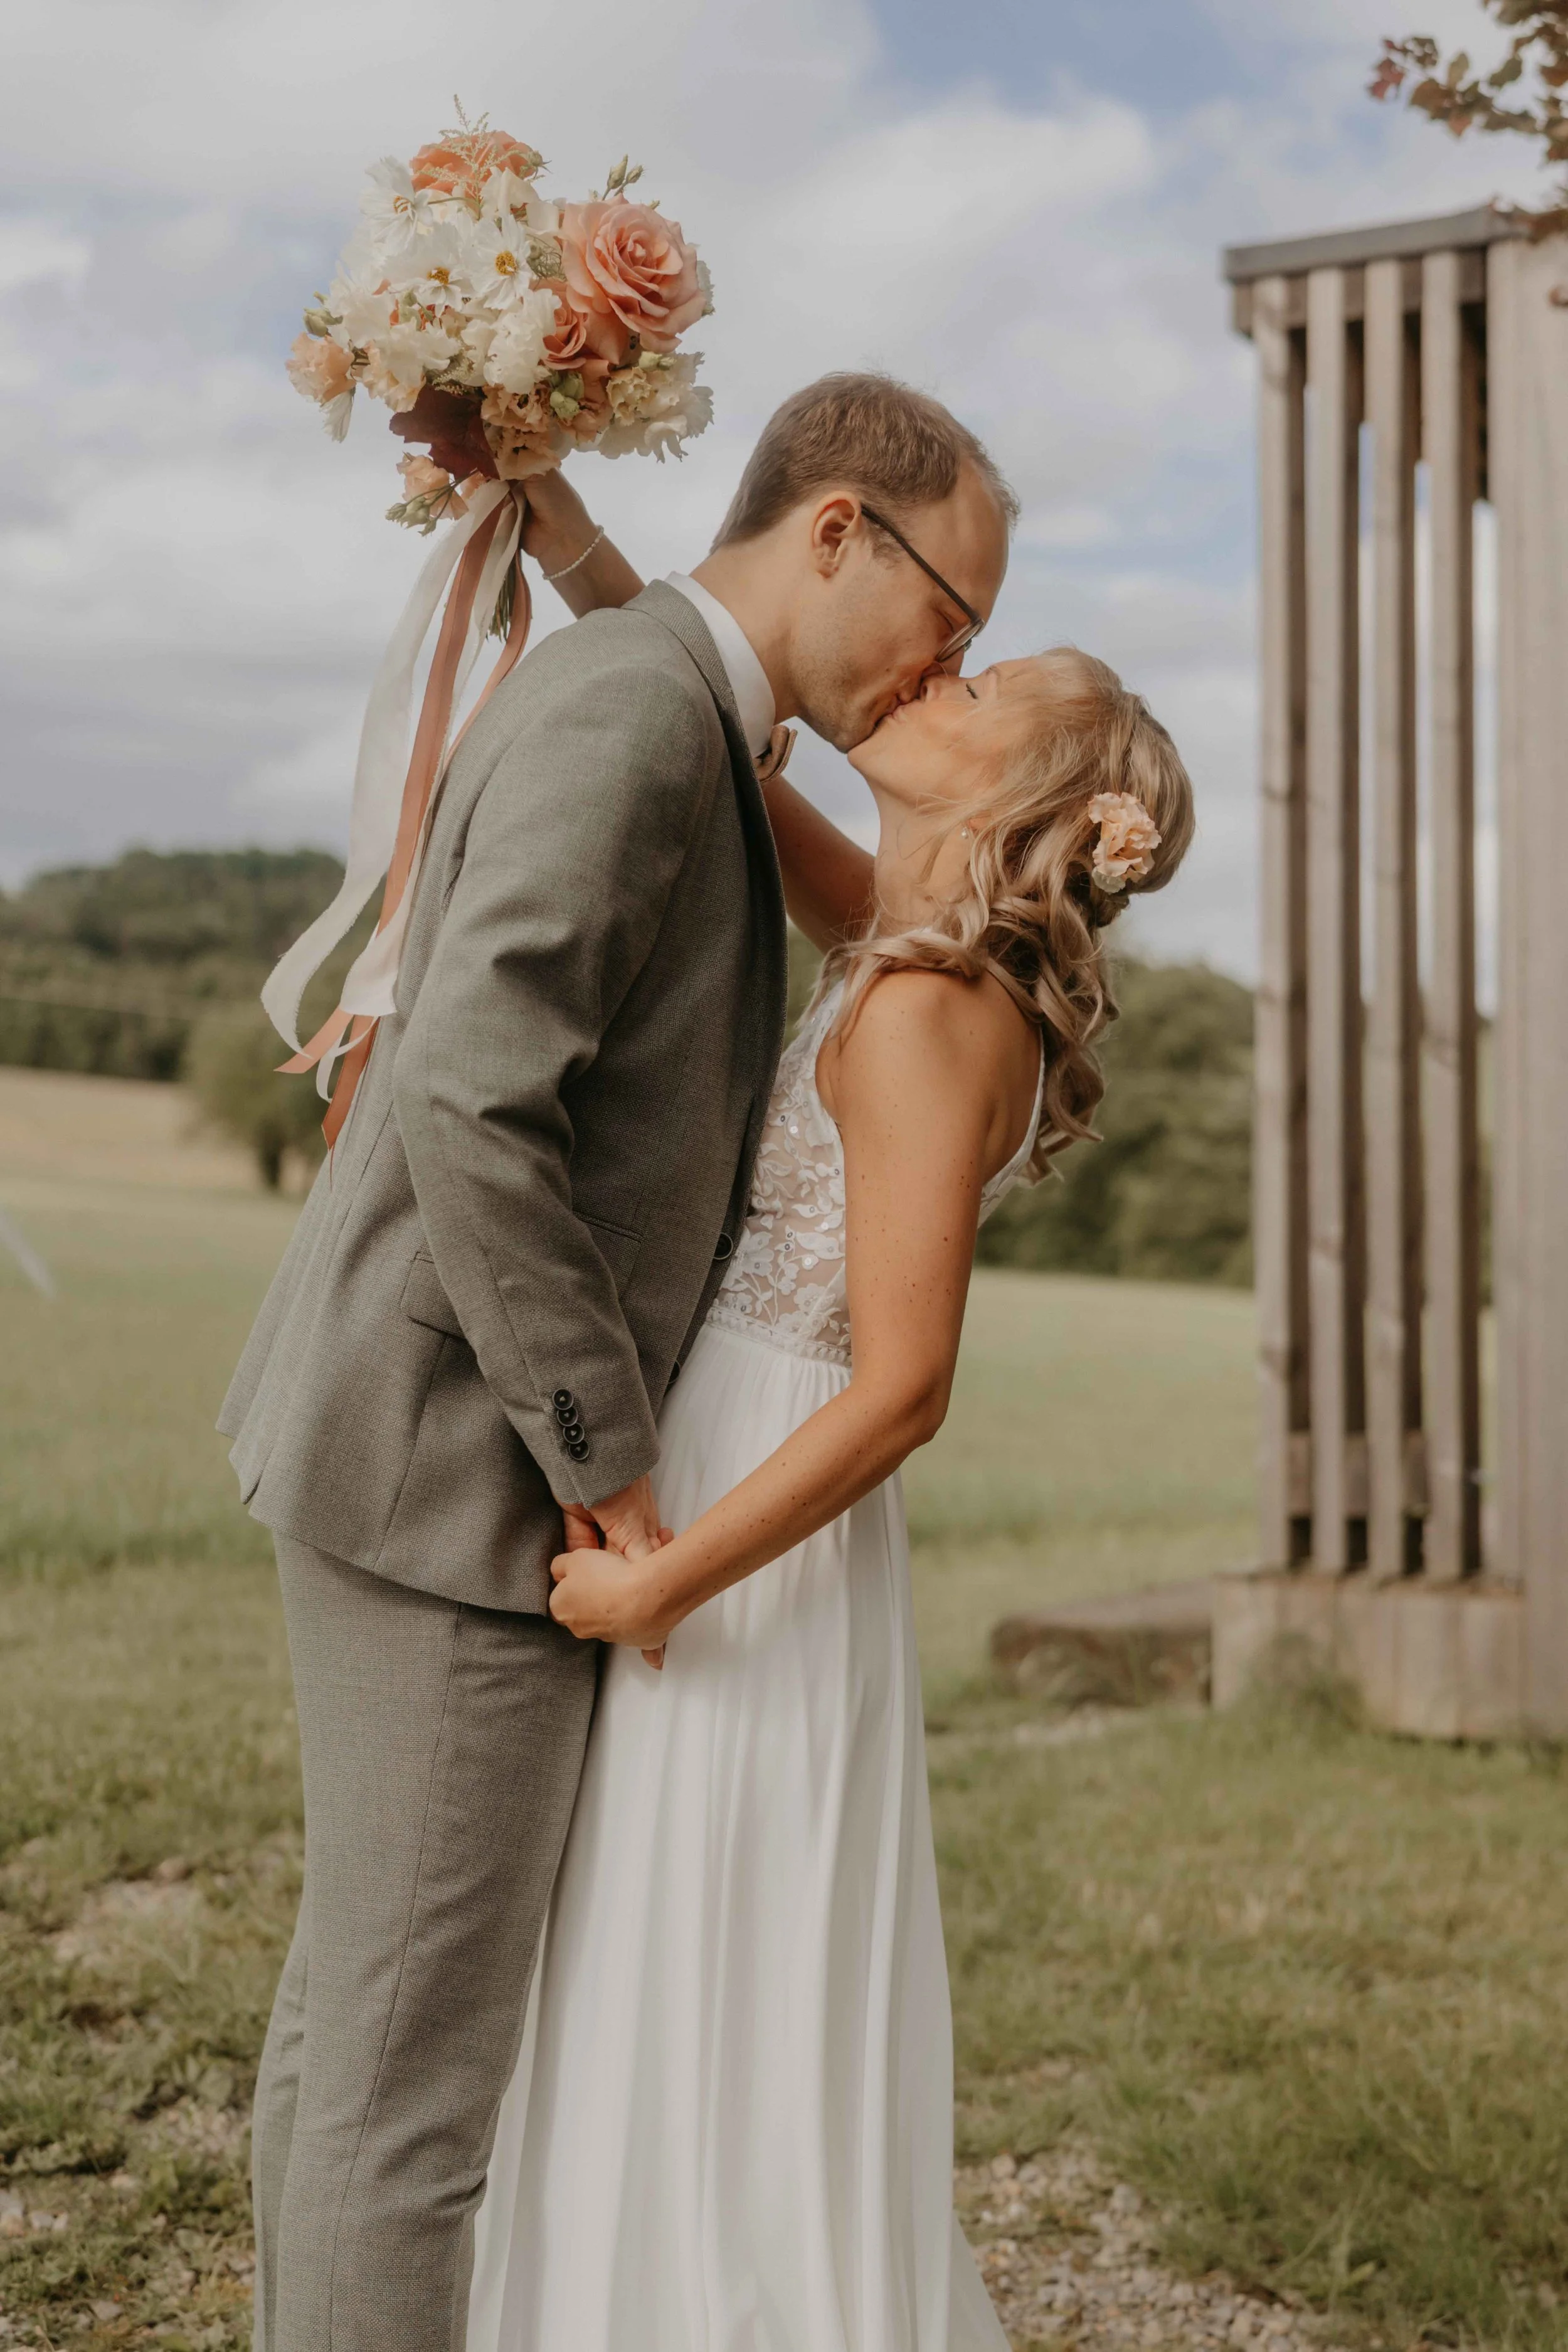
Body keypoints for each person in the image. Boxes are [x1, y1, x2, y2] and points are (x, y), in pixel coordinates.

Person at [216, 372, 1014, 2352]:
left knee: (353, 2037)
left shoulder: (677, 699)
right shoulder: (652, 708)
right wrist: (602, 1455)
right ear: (840, 527)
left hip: (425, 1437)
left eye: (986, 660)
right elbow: (478, 1091)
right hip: (460, 1461)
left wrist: (566, 532)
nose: (948, 661)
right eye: (952, 609)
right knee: (407, 2108)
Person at [462, 493, 1195, 2348]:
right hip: (739, 1482)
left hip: (751, 1521)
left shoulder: (931, 1005)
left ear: (1020, 801)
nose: (931, 673)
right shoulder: (905, 933)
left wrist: (670, 1583)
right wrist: (559, 522)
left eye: (979, 685)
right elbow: (728, 701)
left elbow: (903, 1386)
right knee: (685, 1957)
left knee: (703, 1959)